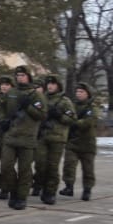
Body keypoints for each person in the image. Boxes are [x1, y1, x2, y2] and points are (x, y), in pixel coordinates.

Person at [0, 65, 47, 210]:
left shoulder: (36, 95)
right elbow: (1, 107)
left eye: (23, 75)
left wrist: (28, 106)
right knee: (6, 166)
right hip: (11, 136)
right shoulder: (11, 92)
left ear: (28, 77)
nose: (20, 78)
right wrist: (2, 120)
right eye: (18, 75)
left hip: (28, 137)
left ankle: (22, 197)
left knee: (25, 170)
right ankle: (13, 191)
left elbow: (42, 115)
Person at [34, 74, 76, 204]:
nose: (50, 86)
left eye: (53, 83)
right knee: (40, 164)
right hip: (42, 136)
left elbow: (72, 119)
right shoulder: (42, 99)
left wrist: (59, 116)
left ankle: (50, 192)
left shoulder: (65, 101)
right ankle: (41, 185)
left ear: (58, 85)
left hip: (57, 138)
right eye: (48, 83)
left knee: (52, 167)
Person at [61, 82, 101, 201]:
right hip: (73, 142)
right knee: (69, 165)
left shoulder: (92, 107)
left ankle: (87, 190)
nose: (78, 94)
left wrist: (73, 122)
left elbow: (88, 122)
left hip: (87, 143)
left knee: (88, 169)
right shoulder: (72, 106)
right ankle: (69, 187)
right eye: (77, 92)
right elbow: (65, 117)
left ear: (88, 94)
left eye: (81, 92)